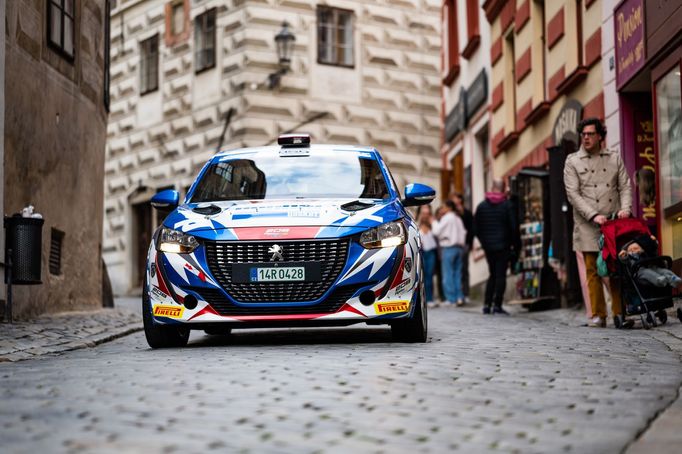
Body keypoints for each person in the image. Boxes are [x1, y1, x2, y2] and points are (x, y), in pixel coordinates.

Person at [564, 117, 633, 328]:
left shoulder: (613, 158)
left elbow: (625, 185)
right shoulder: (572, 161)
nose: (585, 138)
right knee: (592, 268)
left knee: (615, 267)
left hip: (613, 221)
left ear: (600, 136)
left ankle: (620, 313)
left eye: (590, 134)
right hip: (587, 223)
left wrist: (626, 208)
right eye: (583, 134)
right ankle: (598, 315)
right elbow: (573, 194)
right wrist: (593, 215)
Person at [473, 179, 519, 315]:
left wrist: (484, 242)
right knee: (500, 275)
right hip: (503, 246)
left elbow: (475, 228)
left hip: (488, 247)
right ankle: (497, 305)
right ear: (503, 189)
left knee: (492, 274)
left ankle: (487, 305)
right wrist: (514, 245)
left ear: (492, 187)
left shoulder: (481, 206)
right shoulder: (507, 205)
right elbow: (513, 227)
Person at [431, 200, 467, 306]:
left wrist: (433, 222)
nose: (442, 209)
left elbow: (436, 231)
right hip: (459, 248)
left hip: (449, 248)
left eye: (443, 207)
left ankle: (451, 299)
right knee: (457, 274)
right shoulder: (457, 218)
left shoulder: (447, 218)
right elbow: (464, 233)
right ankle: (459, 297)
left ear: (449, 208)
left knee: (448, 274)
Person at [452, 192, 474, 303]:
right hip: (453, 244)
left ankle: (465, 294)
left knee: (464, 269)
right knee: (455, 271)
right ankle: (456, 295)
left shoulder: (467, 213)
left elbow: (471, 229)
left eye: (455, 198)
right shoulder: (451, 214)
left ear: (460, 200)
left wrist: (469, 244)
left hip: (464, 244)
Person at [417, 204, 438, 306]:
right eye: (423, 213)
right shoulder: (416, 223)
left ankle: (430, 299)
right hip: (421, 252)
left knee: (429, 276)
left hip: (431, 252)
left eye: (427, 213)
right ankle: (423, 299)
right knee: (422, 277)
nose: (425, 215)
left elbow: (438, 233)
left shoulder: (433, 223)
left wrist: (432, 222)